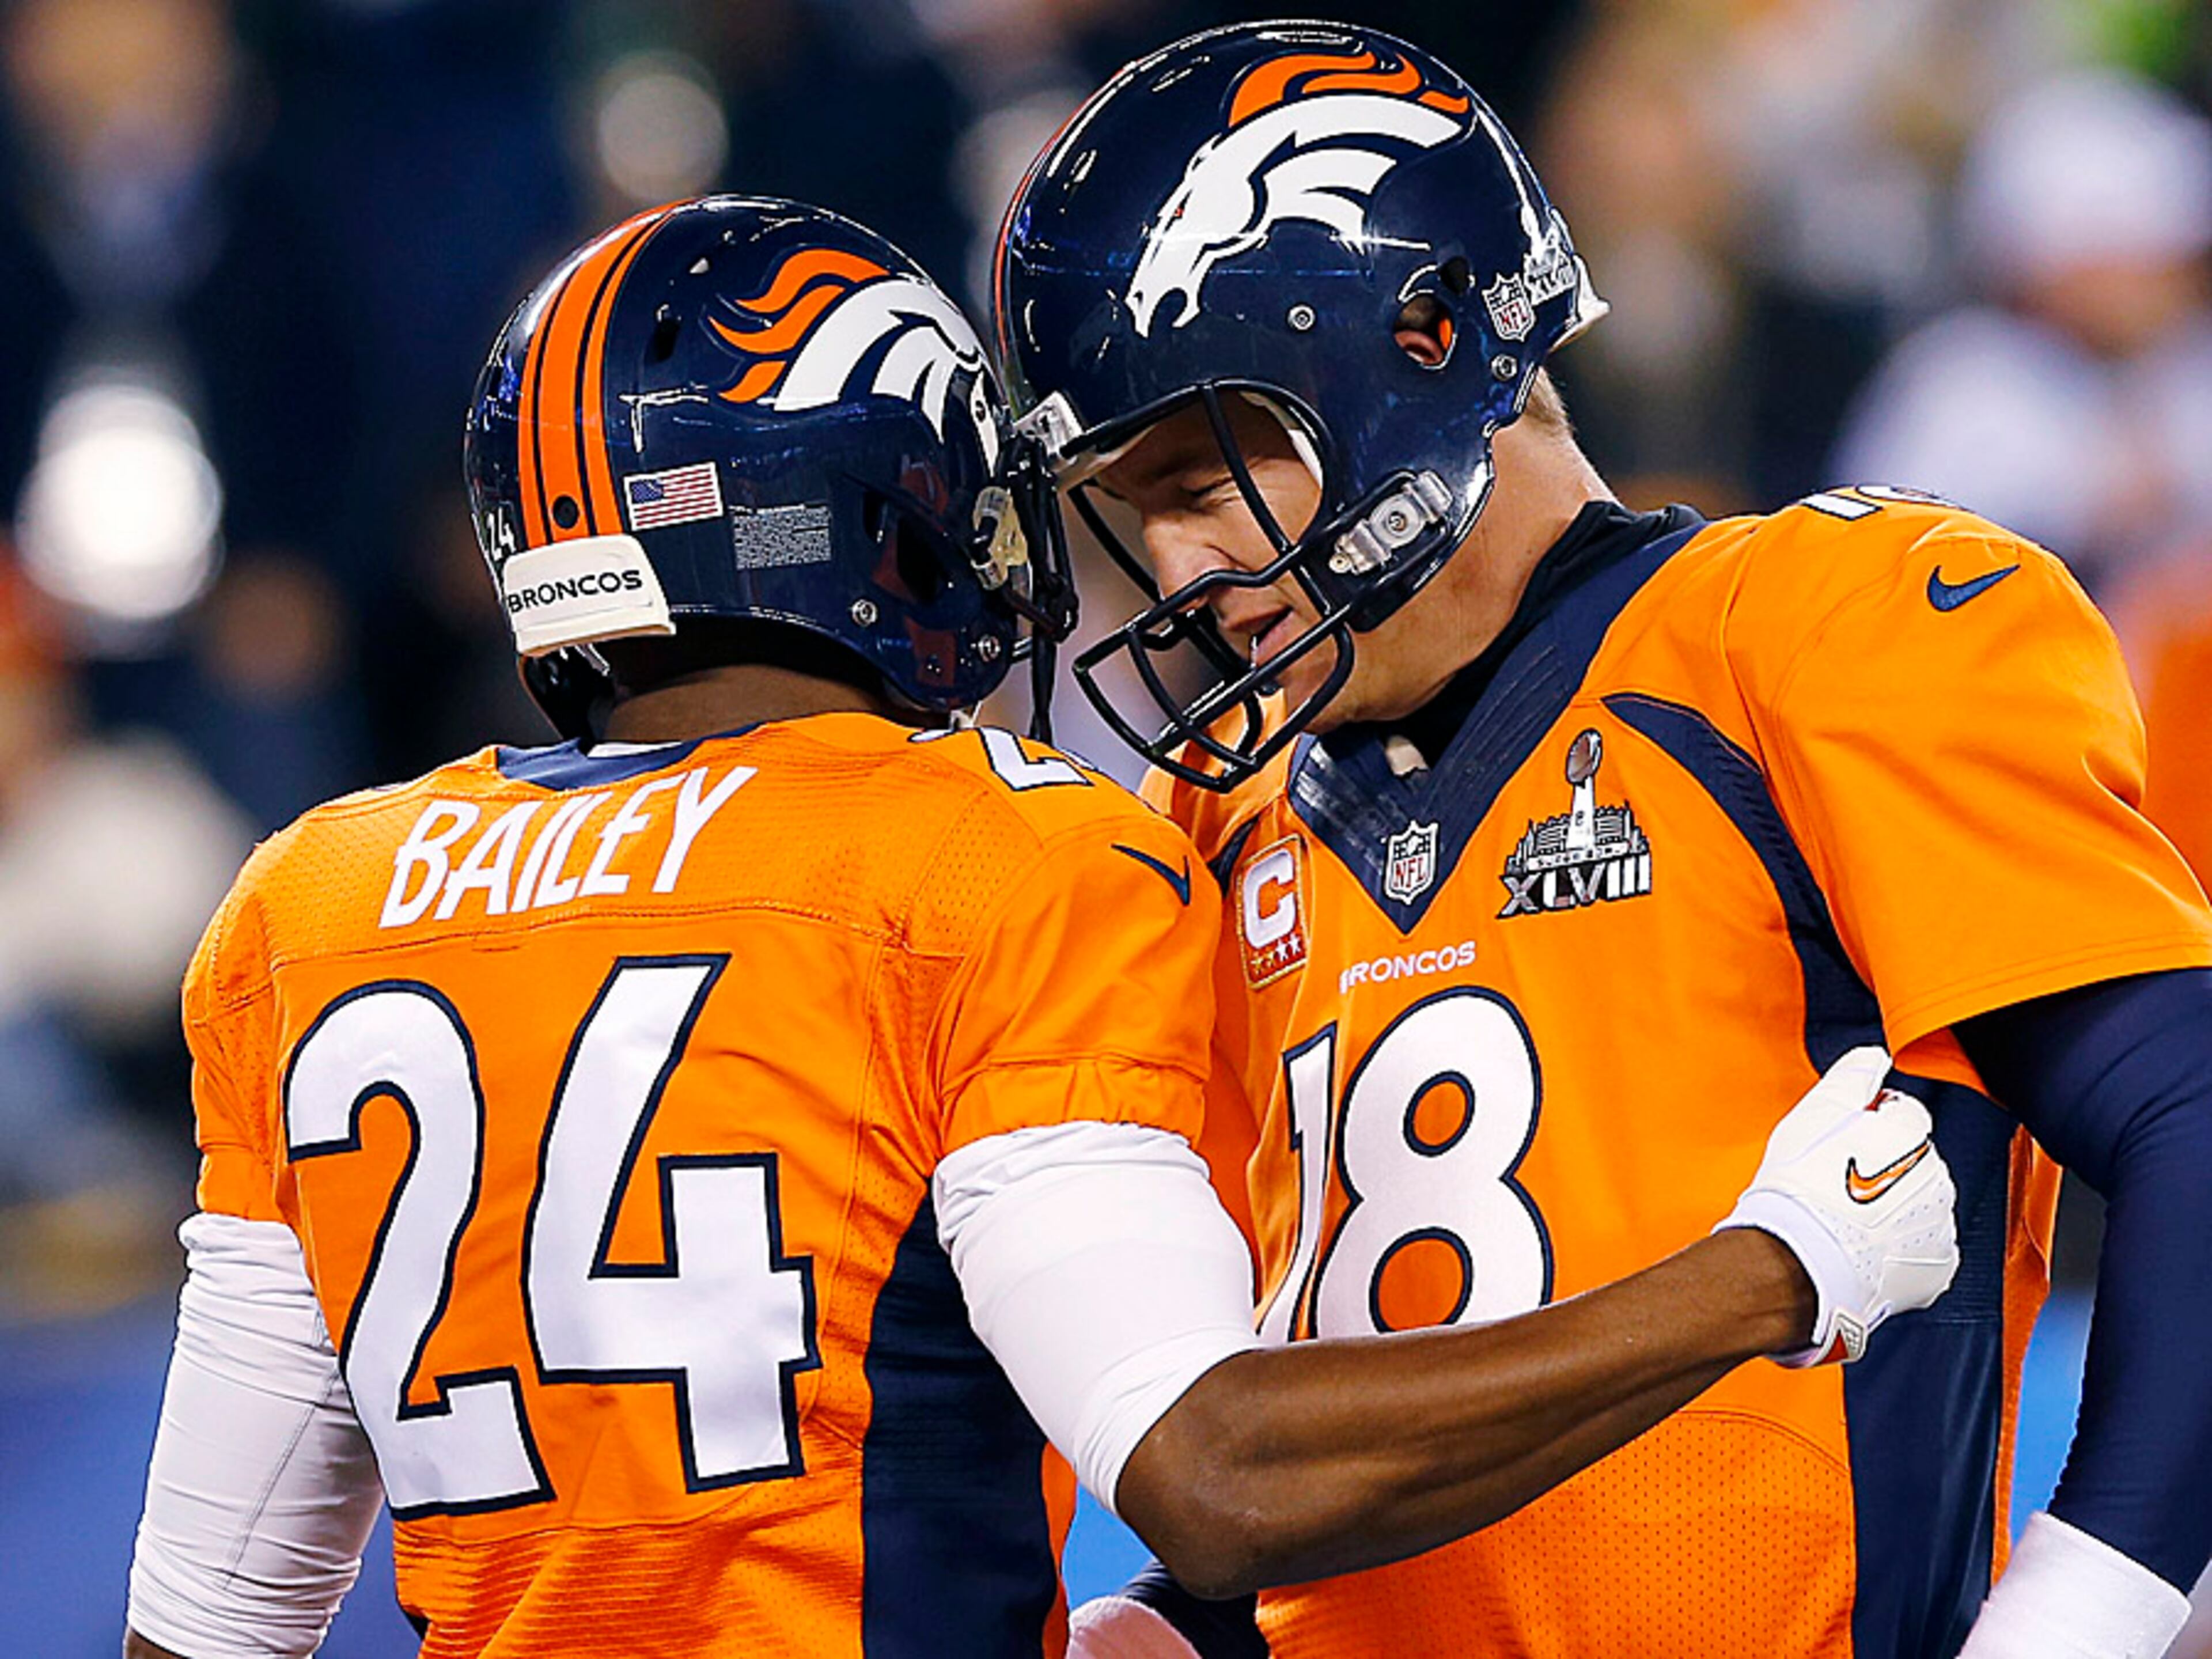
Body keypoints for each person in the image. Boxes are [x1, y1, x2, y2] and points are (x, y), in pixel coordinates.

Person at [121, 196, 1959, 1659]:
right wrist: (1767, 1274)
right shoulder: (988, 851)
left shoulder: (313, 899)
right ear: (887, 509)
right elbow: (1215, 1472)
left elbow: (207, 1623)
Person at [993, 21, 2212, 1659]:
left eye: (1217, 465)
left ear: (1431, 339)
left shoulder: (1802, 634)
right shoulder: (1218, 815)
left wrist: (2087, 1611)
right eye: (1130, 503)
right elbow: (1277, 1422)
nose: (1183, 558)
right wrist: (1173, 1624)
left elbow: (2191, 1116)